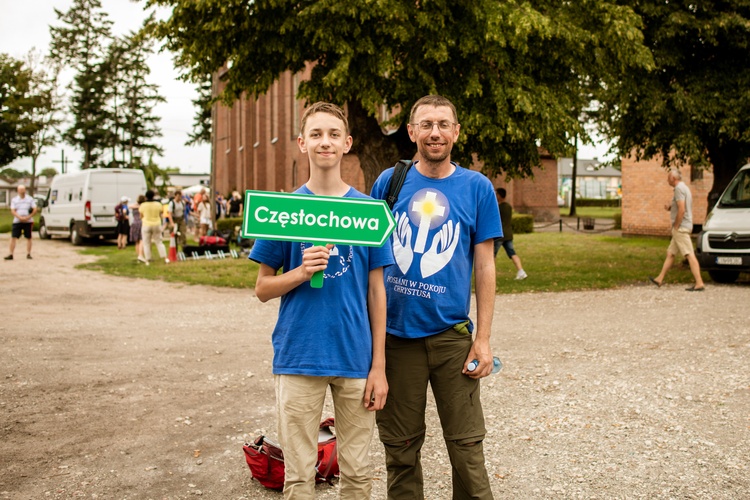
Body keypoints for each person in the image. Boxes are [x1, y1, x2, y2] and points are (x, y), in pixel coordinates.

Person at [249, 102, 393, 499]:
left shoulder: (368, 212)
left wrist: (379, 366)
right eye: (316, 134)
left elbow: (376, 291)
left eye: (333, 134)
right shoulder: (283, 211)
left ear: (347, 143)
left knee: (359, 473)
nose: (324, 142)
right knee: (298, 475)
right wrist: (298, 273)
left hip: (355, 359)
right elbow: (262, 288)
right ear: (302, 143)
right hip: (299, 355)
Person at [370, 95, 502, 499]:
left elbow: (485, 267)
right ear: (410, 132)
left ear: (456, 132)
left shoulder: (477, 188)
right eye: (426, 124)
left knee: (466, 448)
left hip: (451, 338)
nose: (435, 133)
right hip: (396, 339)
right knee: (401, 449)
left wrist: (482, 338)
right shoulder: (388, 183)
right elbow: (367, 258)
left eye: (444, 124)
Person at [649, 169, 706, 291]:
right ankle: (660, 278)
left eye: (668, 178)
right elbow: (679, 205)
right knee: (670, 254)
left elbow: (682, 209)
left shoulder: (679, 189)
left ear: (673, 179)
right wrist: (670, 207)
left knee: (689, 254)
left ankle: (699, 282)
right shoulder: (683, 188)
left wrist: (676, 225)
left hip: (681, 227)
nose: (667, 180)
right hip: (683, 226)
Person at [493, 187, 528, 280]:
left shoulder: (497, 207)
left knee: (492, 255)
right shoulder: (508, 207)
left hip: (499, 236)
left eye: (496, 194)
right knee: (512, 253)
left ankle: (491, 274)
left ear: (499, 196)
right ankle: (521, 271)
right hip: (508, 235)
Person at [4, 185, 37, 260]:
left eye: (24, 190)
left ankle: (28, 253)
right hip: (17, 221)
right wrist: (20, 217)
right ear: (18, 191)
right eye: (21, 190)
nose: (22, 191)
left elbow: (35, 209)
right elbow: (13, 210)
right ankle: (11, 254)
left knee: (29, 237)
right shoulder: (15, 200)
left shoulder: (30, 199)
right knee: (13, 237)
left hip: (28, 221)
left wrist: (28, 217)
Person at [139, 189, 169, 265]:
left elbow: (141, 216)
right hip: (156, 223)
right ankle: (165, 258)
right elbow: (161, 214)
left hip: (146, 224)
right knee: (159, 242)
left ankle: (147, 260)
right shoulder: (158, 204)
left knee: (146, 243)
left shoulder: (143, 205)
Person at [129, 195, 146, 263]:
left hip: (134, 223)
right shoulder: (143, 207)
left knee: (137, 241)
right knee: (142, 240)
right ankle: (141, 255)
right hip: (141, 223)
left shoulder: (134, 206)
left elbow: (129, 206)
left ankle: (139, 256)